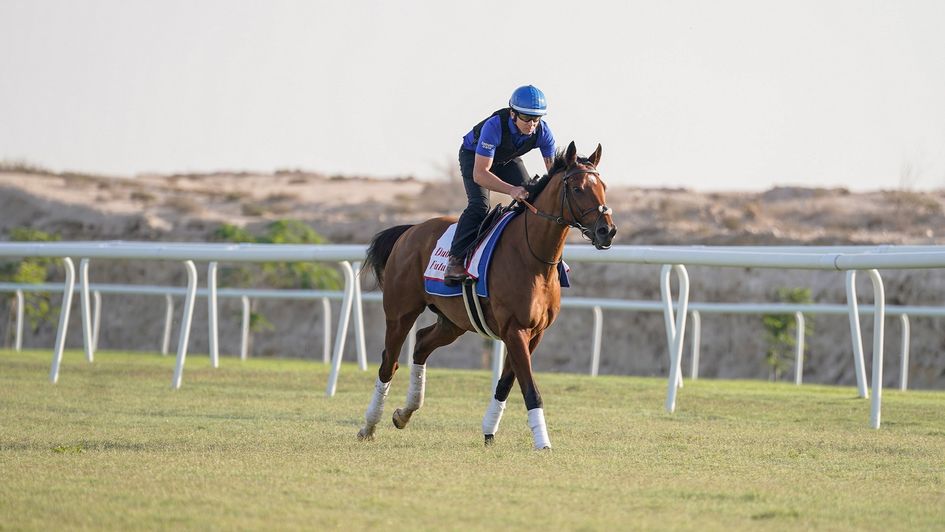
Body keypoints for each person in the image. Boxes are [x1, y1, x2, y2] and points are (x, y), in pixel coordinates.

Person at [444, 85, 557, 285]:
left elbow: (554, 174)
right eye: (526, 118)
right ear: (513, 114)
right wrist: (511, 190)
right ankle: (455, 260)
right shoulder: (494, 126)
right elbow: (481, 175)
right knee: (480, 206)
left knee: (532, 200)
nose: (531, 125)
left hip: (506, 159)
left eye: (536, 119)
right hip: (475, 158)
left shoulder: (543, 132)